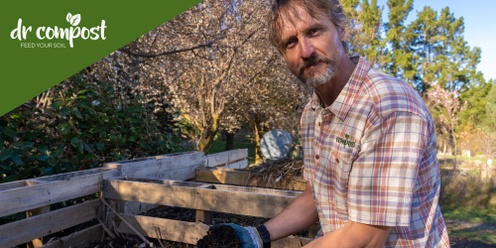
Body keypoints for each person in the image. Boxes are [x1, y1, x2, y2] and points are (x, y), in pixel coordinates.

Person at [215, 0, 451, 247]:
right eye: (290, 43)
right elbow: (315, 197)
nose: (305, 51)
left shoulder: (387, 105)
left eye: (313, 31)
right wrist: (257, 235)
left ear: (341, 29)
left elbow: (367, 235)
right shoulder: (312, 113)